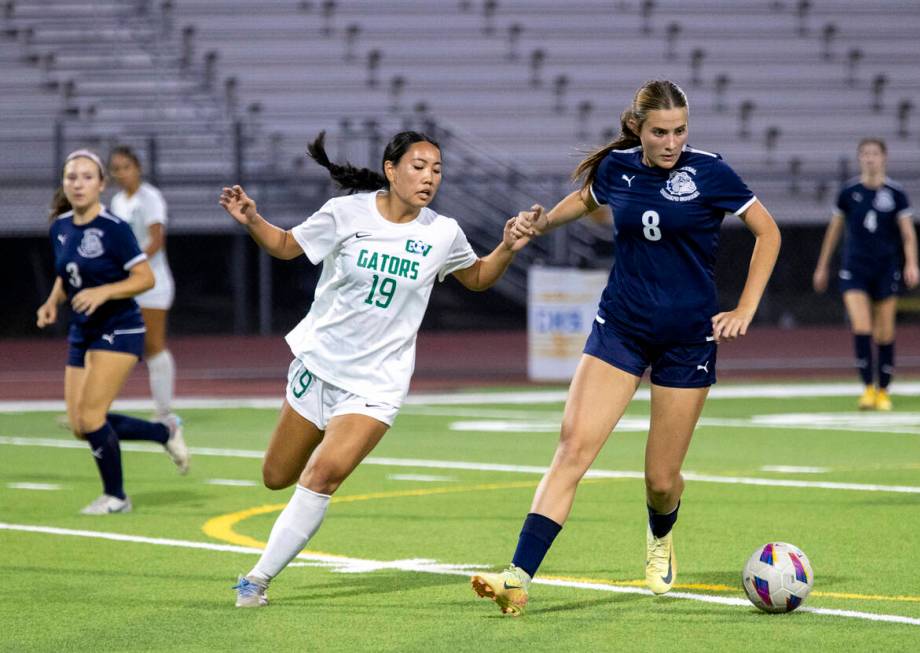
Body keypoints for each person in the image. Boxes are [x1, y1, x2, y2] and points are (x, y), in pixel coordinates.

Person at [470, 79, 781, 616]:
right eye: (660, 132)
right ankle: (517, 576)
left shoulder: (711, 172)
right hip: (620, 328)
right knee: (573, 449)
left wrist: (746, 308)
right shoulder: (618, 167)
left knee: (662, 481)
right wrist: (538, 224)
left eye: (680, 130)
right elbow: (584, 198)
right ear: (637, 129)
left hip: (688, 340)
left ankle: (660, 533)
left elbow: (768, 232)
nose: (672, 142)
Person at [221, 130, 535, 607]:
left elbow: (475, 278)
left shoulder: (441, 231)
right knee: (275, 476)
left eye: (437, 170)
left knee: (321, 476)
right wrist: (252, 219)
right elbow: (286, 246)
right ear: (391, 170)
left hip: (376, 384)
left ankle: (257, 579)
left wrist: (507, 247)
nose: (430, 177)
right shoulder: (346, 213)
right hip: (318, 366)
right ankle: (264, 568)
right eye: (418, 166)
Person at [36, 150, 190, 515]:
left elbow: (144, 278)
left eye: (87, 177)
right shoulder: (59, 226)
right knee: (79, 425)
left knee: (92, 418)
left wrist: (104, 291)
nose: (78, 183)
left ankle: (117, 497)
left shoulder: (114, 228)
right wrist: (52, 301)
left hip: (119, 327)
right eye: (72, 177)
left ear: (102, 184)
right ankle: (162, 432)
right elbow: (67, 271)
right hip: (82, 330)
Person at [813, 138, 920, 411]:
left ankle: (884, 390)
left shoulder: (896, 193)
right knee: (862, 327)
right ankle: (868, 389)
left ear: (884, 158)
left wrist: (912, 263)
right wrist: (823, 265)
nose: (870, 159)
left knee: (885, 332)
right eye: (865, 154)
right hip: (855, 267)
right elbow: (834, 230)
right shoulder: (849, 192)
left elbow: (908, 234)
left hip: (886, 267)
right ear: (859, 158)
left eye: (874, 154)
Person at [108, 146, 177, 420]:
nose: (122, 173)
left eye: (126, 167)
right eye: (116, 169)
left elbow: (156, 240)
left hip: (153, 282)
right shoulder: (116, 201)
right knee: (116, 342)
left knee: (153, 344)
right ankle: (97, 406)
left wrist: (132, 261)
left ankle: (164, 411)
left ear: (137, 167)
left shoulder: (150, 197)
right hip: (128, 283)